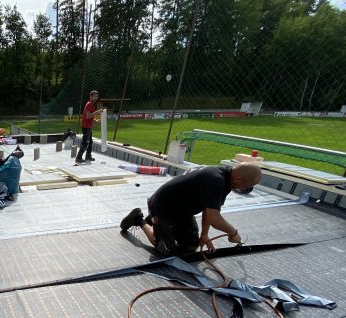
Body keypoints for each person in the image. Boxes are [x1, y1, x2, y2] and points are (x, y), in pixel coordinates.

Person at [120, 163, 262, 255]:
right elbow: (213, 217)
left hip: (182, 210)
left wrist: (204, 235)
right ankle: (139, 219)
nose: (246, 189)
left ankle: (157, 223)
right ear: (238, 179)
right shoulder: (215, 180)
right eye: (247, 186)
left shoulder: (225, 180)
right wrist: (233, 232)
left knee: (190, 248)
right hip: (163, 207)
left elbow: (210, 211)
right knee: (166, 250)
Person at [75, 90, 104, 164]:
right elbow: (88, 116)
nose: (96, 98)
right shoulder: (89, 104)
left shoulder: (91, 105)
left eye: (97, 96)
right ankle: (78, 157)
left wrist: (95, 120)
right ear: (91, 96)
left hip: (89, 126)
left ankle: (88, 156)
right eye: (94, 96)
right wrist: (98, 112)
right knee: (85, 142)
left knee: (90, 142)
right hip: (86, 127)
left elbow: (90, 117)